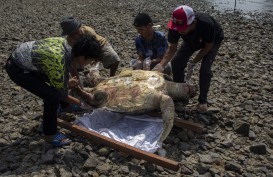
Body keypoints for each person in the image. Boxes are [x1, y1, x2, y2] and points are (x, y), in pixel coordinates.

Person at [5, 35, 102, 147]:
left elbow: (63, 75)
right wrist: (83, 104)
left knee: (62, 83)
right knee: (52, 97)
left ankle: (66, 107)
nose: (90, 63)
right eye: (90, 60)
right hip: (18, 68)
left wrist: (80, 92)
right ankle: (50, 135)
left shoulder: (67, 46)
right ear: (82, 58)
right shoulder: (59, 60)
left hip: (31, 60)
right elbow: (61, 94)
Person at [72, 69, 197, 142]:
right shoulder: (163, 96)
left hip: (116, 86)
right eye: (188, 89)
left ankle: (86, 82)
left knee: (99, 89)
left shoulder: (158, 75)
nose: (186, 88)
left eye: (187, 89)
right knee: (96, 98)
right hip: (118, 89)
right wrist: (164, 133)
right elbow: (168, 104)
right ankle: (81, 86)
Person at [153, 5, 224, 112]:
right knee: (176, 62)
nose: (180, 31)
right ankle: (180, 94)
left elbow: (208, 46)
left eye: (183, 28)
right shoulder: (175, 27)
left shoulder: (207, 24)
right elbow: (172, 48)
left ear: (193, 22)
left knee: (205, 69)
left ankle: (203, 101)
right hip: (191, 39)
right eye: (178, 28)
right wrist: (161, 65)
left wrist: (193, 62)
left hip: (212, 40)